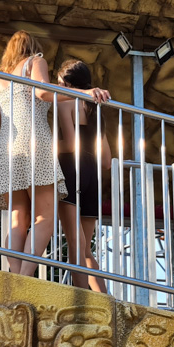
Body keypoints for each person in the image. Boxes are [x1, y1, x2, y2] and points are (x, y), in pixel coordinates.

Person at [0, 32, 109, 276]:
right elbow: (43, 92)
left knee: (17, 218)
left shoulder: (0, 78)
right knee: (45, 217)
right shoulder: (35, 61)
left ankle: (16, 278)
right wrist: (84, 93)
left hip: (6, 148)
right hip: (36, 143)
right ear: (32, 48)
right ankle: (23, 279)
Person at [55, 60, 110, 294]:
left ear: (67, 84)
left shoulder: (65, 102)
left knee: (75, 246)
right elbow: (106, 161)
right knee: (86, 250)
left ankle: (81, 301)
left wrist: (45, 148)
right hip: (93, 174)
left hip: (71, 170)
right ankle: (104, 299)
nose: (57, 87)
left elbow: (70, 144)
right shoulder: (96, 110)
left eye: (59, 83)